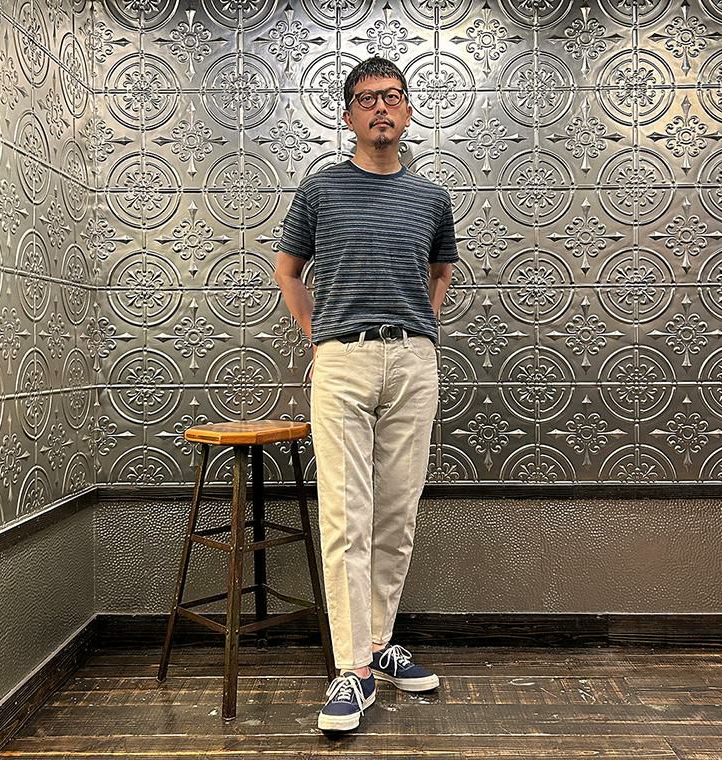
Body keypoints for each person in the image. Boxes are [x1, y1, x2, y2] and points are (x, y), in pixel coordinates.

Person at [274, 56, 458, 734]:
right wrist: (317, 334)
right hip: (342, 361)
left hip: (412, 361)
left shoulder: (431, 197)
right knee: (347, 515)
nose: (381, 107)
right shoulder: (320, 189)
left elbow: (441, 269)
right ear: (349, 114)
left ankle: (379, 643)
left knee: (397, 513)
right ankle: (352, 669)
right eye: (367, 98)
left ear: (407, 110)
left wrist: (421, 330)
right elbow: (288, 269)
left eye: (392, 96)